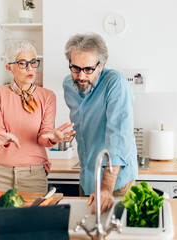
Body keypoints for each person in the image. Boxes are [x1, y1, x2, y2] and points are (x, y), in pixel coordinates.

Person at [0, 40, 74, 193]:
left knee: (32, 217)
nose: (30, 68)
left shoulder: (47, 96)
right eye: (22, 63)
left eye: (33, 62)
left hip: (33, 174)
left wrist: (52, 137)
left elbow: (43, 136)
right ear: (9, 68)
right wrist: (3, 138)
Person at [63, 33, 138, 214]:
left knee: (112, 231)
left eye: (88, 69)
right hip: (87, 177)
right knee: (88, 228)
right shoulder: (68, 85)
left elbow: (117, 139)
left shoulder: (115, 83)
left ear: (101, 66)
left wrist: (105, 187)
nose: (81, 76)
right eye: (75, 68)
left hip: (115, 181)